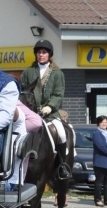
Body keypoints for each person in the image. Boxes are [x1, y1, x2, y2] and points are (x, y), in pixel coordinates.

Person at [19, 39, 70, 179]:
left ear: (49, 54)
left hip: (50, 114)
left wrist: (50, 107)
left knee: (61, 133)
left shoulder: (57, 73)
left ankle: (62, 165)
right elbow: (22, 91)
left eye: (44, 52)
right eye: (39, 52)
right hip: (31, 114)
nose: (41, 55)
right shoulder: (28, 72)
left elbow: (59, 94)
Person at [92, 115, 107, 207]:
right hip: (101, 161)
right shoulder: (97, 133)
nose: (104, 124)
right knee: (99, 181)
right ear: (98, 123)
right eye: (102, 122)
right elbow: (101, 146)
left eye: (105, 122)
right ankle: (98, 199)